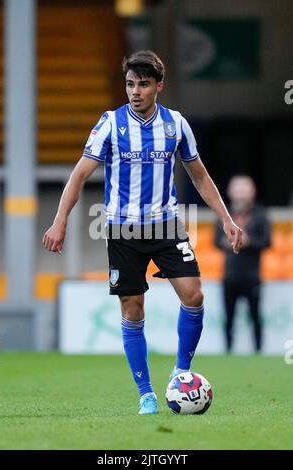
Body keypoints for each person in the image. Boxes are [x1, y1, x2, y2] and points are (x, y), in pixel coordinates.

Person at [42, 50, 242, 414]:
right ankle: (146, 394)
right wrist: (60, 220)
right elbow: (79, 174)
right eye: (130, 84)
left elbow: (199, 175)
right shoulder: (110, 124)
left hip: (167, 225)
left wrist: (227, 219)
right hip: (122, 229)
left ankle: (181, 372)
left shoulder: (176, 124)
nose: (135, 91)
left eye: (144, 84)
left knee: (194, 296)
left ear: (159, 86)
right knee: (133, 310)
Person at [214, 175, 271, 353]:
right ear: (230, 192)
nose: (240, 194)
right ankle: (228, 351)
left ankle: (258, 351)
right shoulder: (225, 215)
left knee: (255, 316)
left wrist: (248, 241)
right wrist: (229, 242)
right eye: (237, 189)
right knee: (228, 317)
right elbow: (216, 241)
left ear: (253, 191)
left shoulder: (261, 215)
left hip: (252, 276)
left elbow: (267, 241)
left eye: (244, 189)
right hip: (230, 275)